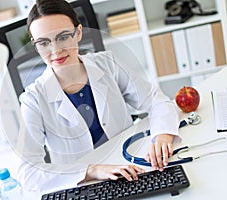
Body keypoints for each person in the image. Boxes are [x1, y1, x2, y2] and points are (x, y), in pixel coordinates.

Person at [17, 0, 180, 193]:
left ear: (78, 33)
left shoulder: (107, 64)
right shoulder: (33, 99)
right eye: (44, 42)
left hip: (132, 166)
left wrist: (163, 134)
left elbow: (154, 99)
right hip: (82, 184)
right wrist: (92, 171)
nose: (55, 50)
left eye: (63, 37)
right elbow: (28, 173)